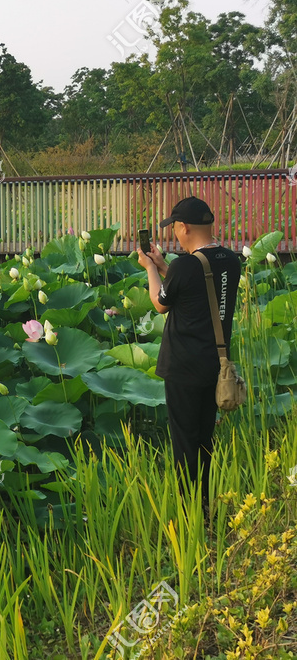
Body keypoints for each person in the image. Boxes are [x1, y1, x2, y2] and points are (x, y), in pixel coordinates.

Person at [137, 196, 241, 516]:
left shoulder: (185, 265)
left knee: (184, 445)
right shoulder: (231, 259)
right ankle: (205, 507)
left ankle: (190, 516)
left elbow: (160, 302)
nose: (175, 236)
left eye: (175, 229)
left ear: (183, 227)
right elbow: (199, 286)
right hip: (215, 366)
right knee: (203, 441)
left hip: (183, 367)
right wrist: (165, 265)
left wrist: (150, 269)